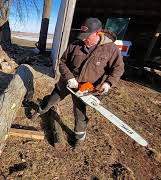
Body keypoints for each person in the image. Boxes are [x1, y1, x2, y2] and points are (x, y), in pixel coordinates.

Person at [31, 17, 124, 148]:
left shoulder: (111, 49)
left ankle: (79, 137)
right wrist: (69, 77)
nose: (84, 39)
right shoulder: (75, 45)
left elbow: (118, 69)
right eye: (83, 35)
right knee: (53, 98)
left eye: (87, 36)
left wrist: (108, 83)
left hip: (86, 88)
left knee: (79, 112)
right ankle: (40, 110)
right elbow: (62, 62)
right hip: (68, 82)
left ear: (98, 33)